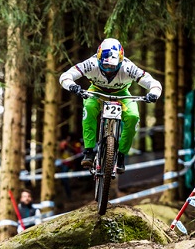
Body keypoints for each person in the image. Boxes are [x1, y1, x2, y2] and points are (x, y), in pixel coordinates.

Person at [59, 37, 162, 172]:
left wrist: (154, 93)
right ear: (99, 59)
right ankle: (88, 151)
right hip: (96, 92)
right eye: (105, 65)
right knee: (89, 108)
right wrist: (72, 86)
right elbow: (65, 76)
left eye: (112, 67)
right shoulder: (91, 63)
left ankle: (121, 154)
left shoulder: (128, 67)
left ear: (120, 61)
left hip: (122, 94)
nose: (108, 70)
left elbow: (153, 83)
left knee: (133, 117)